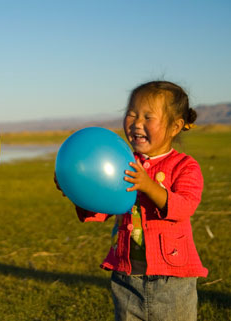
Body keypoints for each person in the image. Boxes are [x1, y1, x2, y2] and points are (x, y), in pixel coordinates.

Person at [55, 81, 208, 321]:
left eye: (148, 117)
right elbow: (101, 208)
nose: (137, 123)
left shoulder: (184, 166)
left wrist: (148, 185)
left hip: (172, 279)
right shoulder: (121, 161)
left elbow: (184, 207)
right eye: (132, 114)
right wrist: (75, 193)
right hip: (125, 277)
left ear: (175, 126)